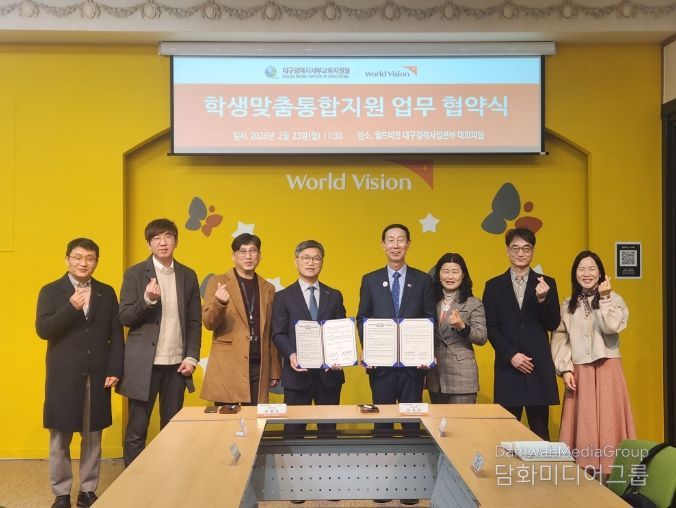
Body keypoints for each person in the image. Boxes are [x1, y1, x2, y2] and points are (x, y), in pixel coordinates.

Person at [36, 238, 124, 508]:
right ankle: (61, 493)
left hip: (97, 375)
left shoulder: (106, 292)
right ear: (67, 259)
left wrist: (114, 369)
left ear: (96, 262)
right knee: (60, 437)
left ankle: (87, 490)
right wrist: (70, 308)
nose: (83, 263)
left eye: (89, 258)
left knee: (93, 436)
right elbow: (43, 330)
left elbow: (116, 335)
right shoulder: (51, 291)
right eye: (77, 257)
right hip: (63, 377)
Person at [117, 219, 201, 466]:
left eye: (168, 237)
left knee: (172, 427)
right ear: (149, 244)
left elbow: (194, 321)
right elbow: (124, 317)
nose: (163, 242)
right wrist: (147, 299)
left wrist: (191, 356)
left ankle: (169, 477)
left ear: (176, 241)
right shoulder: (135, 274)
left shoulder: (187, 274)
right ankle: (133, 481)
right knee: (137, 429)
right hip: (144, 364)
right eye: (156, 238)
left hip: (177, 364)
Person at [551, 250, 635, 472]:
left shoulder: (614, 299)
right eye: (581, 269)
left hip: (608, 368)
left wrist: (605, 298)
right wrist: (565, 369)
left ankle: (611, 477)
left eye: (591, 269)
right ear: (575, 274)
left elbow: (611, 327)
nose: (586, 273)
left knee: (610, 422)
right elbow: (560, 339)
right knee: (583, 424)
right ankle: (583, 479)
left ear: (600, 273)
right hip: (580, 372)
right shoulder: (567, 305)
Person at [482, 227, 560, 440]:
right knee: (506, 433)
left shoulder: (546, 283)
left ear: (532, 251)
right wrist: (511, 356)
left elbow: (553, 323)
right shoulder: (493, 286)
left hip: (537, 366)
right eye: (515, 248)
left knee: (540, 431)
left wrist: (544, 300)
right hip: (509, 367)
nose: (520, 253)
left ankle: (542, 464)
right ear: (507, 251)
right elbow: (491, 327)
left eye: (526, 248)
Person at [357, 224, 436, 429]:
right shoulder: (370, 280)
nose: (395, 245)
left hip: (413, 367)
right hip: (381, 366)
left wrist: (426, 352)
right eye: (390, 240)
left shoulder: (423, 280)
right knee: (382, 423)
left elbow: (429, 318)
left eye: (400, 240)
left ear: (408, 244)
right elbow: (363, 317)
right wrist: (368, 349)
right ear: (383, 245)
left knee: (412, 423)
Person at [271, 240, 346, 434]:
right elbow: (278, 333)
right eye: (305, 258)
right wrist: (291, 354)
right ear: (296, 261)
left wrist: (340, 356)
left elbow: (340, 331)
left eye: (316, 258)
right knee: (293, 431)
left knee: (328, 431)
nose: (311, 263)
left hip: (329, 375)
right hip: (297, 374)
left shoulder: (334, 295)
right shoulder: (283, 297)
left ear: (322, 262)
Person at [200, 233, 281, 406]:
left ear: (260, 255)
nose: (248, 256)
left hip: (259, 366)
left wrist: (274, 369)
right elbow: (208, 322)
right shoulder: (218, 282)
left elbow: (271, 331)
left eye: (253, 251)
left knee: (255, 419)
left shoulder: (268, 288)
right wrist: (220, 303)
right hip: (228, 366)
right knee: (227, 420)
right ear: (233, 256)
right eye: (243, 252)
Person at [426, 253, 487, 404]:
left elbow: (481, 337)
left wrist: (462, 327)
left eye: (455, 271)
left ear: (463, 275)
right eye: (445, 271)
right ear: (438, 275)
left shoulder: (473, 303)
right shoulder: (430, 303)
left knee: (462, 420)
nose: (450, 276)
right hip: (435, 377)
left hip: (462, 377)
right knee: (438, 420)